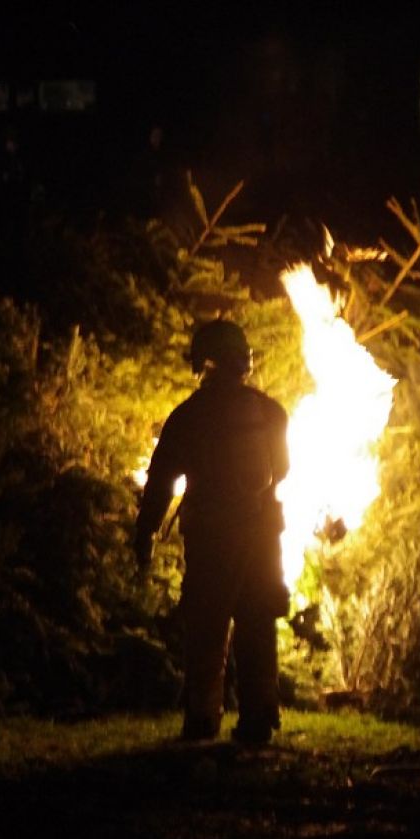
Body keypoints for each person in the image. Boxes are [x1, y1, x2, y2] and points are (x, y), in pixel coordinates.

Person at [134, 319, 290, 745]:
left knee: (206, 626)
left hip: (210, 538)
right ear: (243, 361)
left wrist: (145, 533)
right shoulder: (271, 412)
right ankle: (259, 719)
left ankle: (202, 718)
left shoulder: (188, 417)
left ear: (202, 362)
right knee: (257, 622)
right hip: (262, 537)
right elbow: (283, 470)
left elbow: (161, 481)